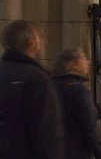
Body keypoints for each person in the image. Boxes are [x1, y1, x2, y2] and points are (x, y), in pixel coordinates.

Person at [0, 19, 64, 159]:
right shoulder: (37, 78)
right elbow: (45, 131)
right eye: (40, 38)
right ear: (31, 42)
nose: (43, 42)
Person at [53, 48, 101, 159]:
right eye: (84, 58)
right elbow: (91, 129)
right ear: (73, 64)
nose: (88, 62)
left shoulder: (49, 87)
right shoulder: (79, 91)